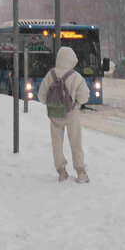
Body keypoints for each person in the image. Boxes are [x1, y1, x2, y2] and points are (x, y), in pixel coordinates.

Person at [36, 45, 91, 183]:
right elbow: (85, 96)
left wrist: (54, 104)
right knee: (76, 143)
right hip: (72, 115)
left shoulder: (50, 75)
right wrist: (75, 104)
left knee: (56, 144)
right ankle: (80, 172)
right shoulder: (76, 76)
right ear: (71, 60)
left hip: (55, 115)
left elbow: (41, 96)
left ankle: (61, 172)